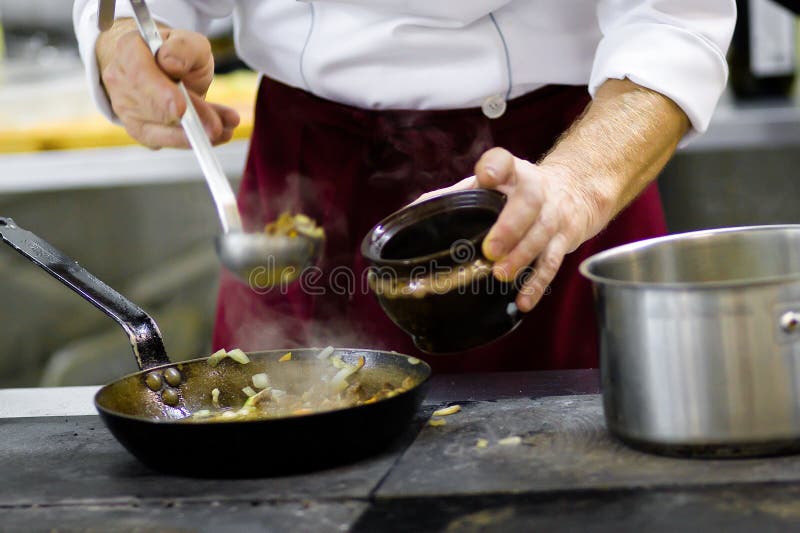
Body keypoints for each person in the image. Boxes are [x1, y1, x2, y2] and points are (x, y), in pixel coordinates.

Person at [73, 1, 735, 373]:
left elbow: (674, 23)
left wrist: (574, 188)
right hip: (306, 180)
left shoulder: (566, 183)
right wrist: (123, 38)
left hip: (557, 172)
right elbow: (128, 8)